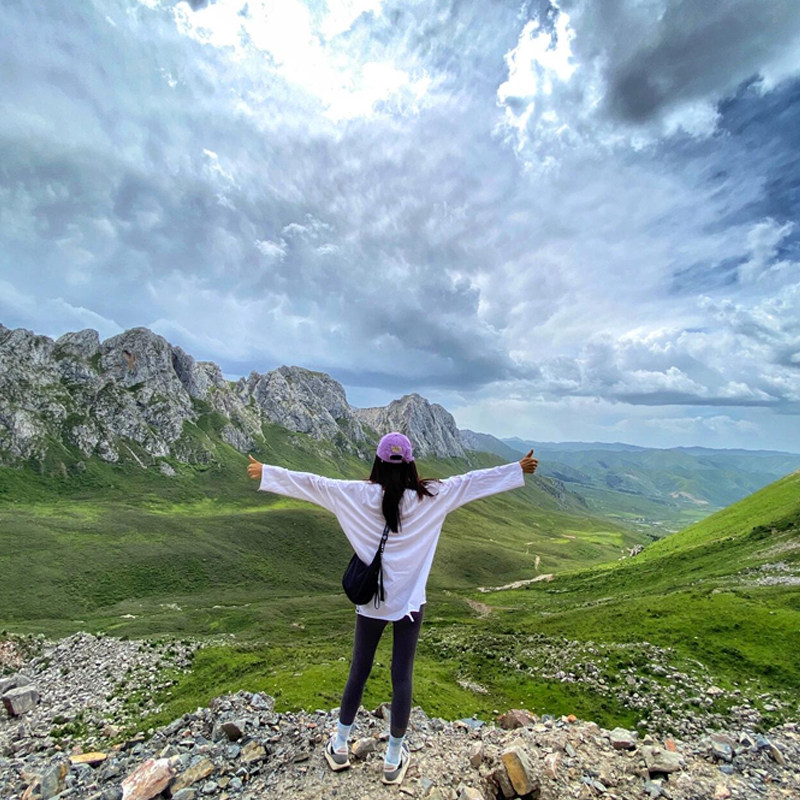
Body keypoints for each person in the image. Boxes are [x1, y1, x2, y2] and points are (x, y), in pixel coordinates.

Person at [247, 432, 538, 785]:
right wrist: (517, 469)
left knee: (359, 670)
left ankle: (340, 744)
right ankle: (393, 758)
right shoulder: (431, 496)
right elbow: (472, 482)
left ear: (378, 463)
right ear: (411, 464)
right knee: (402, 677)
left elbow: (314, 484)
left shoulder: (356, 495)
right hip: (410, 603)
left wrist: (267, 472)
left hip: (372, 603)